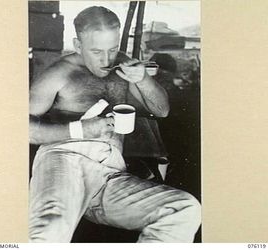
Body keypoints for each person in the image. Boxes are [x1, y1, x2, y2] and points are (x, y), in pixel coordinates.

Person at [29, 6, 201, 243]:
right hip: (63, 159)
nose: (107, 59)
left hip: (110, 170)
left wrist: (143, 79)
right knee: (49, 230)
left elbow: (161, 110)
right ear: (78, 45)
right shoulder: (59, 73)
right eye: (97, 51)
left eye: (112, 49)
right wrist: (82, 129)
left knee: (184, 208)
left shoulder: (124, 66)